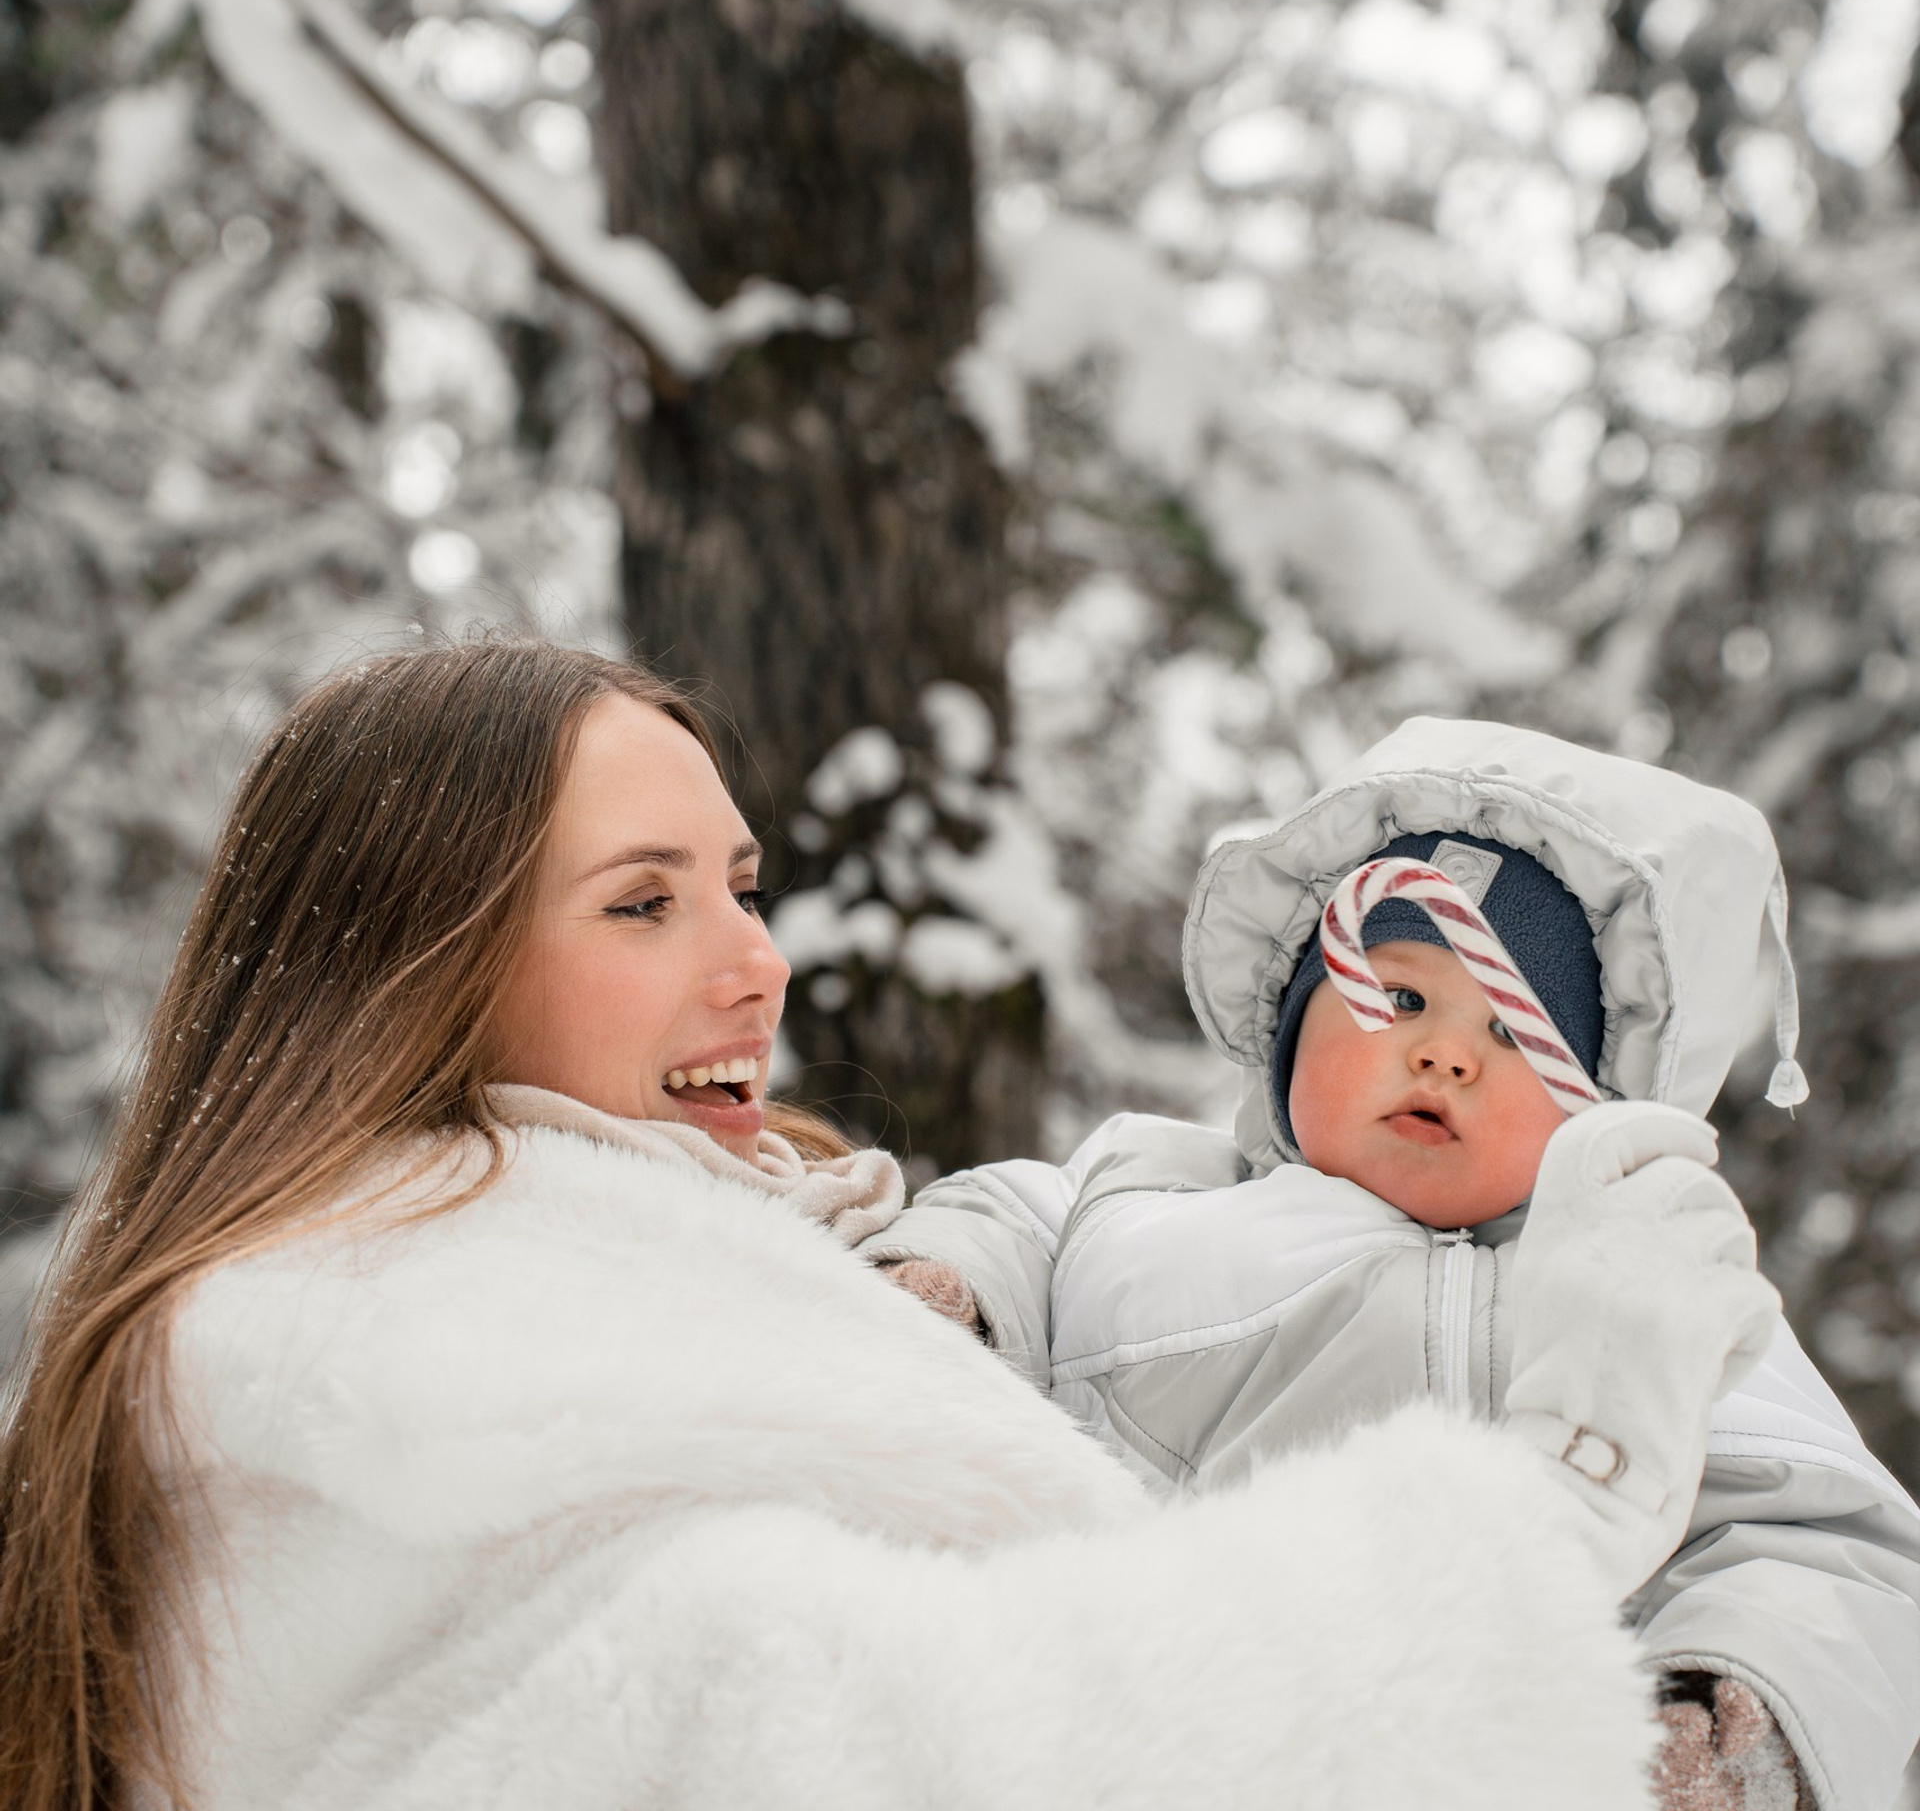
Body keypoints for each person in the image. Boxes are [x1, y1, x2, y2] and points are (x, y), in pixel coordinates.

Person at [0, 647, 1777, 1811]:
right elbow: (883, 1755)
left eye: (743, 887)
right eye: (642, 901)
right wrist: (1558, 1501)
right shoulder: (405, 1365)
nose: (755, 962)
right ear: (412, 964)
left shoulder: (668, 1279)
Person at [869, 716, 1920, 1811]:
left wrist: (1726, 1716)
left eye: (1516, 1035)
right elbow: (1004, 1216)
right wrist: (946, 1291)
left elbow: (1829, 1547)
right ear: (1288, 1024)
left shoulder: (1634, 1302)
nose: (1446, 1050)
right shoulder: (1155, 1184)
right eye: (1403, 997)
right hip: (1075, 1712)